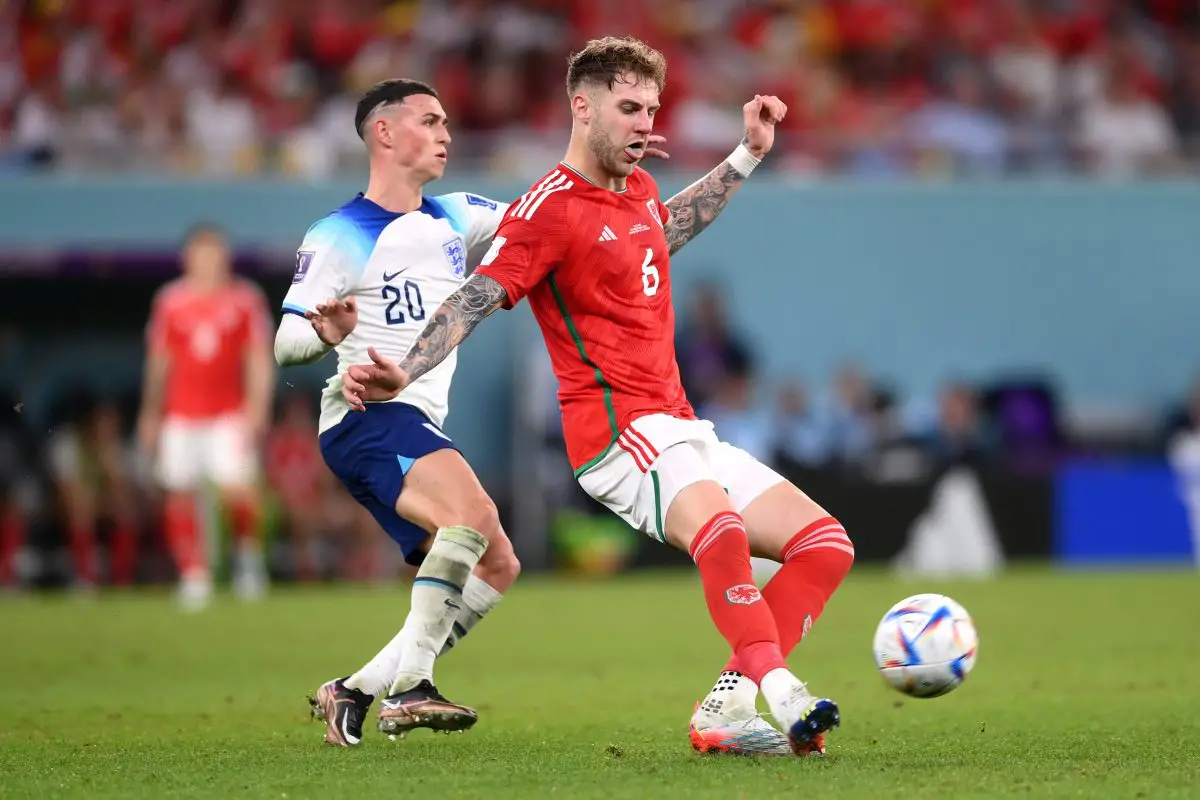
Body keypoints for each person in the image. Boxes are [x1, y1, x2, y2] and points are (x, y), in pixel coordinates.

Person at [341, 38, 855, 757]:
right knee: (724, 534)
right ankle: (781, 691)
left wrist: (746, 155)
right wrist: (403, 367)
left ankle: (727, 708)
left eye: (652, 108)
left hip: (678, 424)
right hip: (619, 434)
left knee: (825, 546)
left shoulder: (637, 189)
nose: (645, 123)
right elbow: (476, 297)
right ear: (582, 108)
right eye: (629, 108)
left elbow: (662, 232)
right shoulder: (546, 208)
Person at [273, 79, 671, 746]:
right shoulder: (340, 233)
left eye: (448, 122)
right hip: (368, 416)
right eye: (430, 121)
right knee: (469, 521)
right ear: (385, 134)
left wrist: (612, 170)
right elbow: (286, 342)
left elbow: (551, 219)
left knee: (497, 565)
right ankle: (412, 689)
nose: (446, 134)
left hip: (416, 422)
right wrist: (326, 335)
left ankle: (353, 691)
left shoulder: (459, 214)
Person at [138, 224, 274, 611]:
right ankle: (193, 574)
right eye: (201, 253)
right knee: (180, 492)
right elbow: (159, 360)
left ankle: (248, 563)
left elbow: (258, 357)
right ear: (188, 258)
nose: (208, 261)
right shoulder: (170, 301)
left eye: (214, 253)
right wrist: (151, 412)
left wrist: (257, 407)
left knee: (240, 491)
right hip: (181, 413)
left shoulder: (246, 299)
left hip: (228, 412)